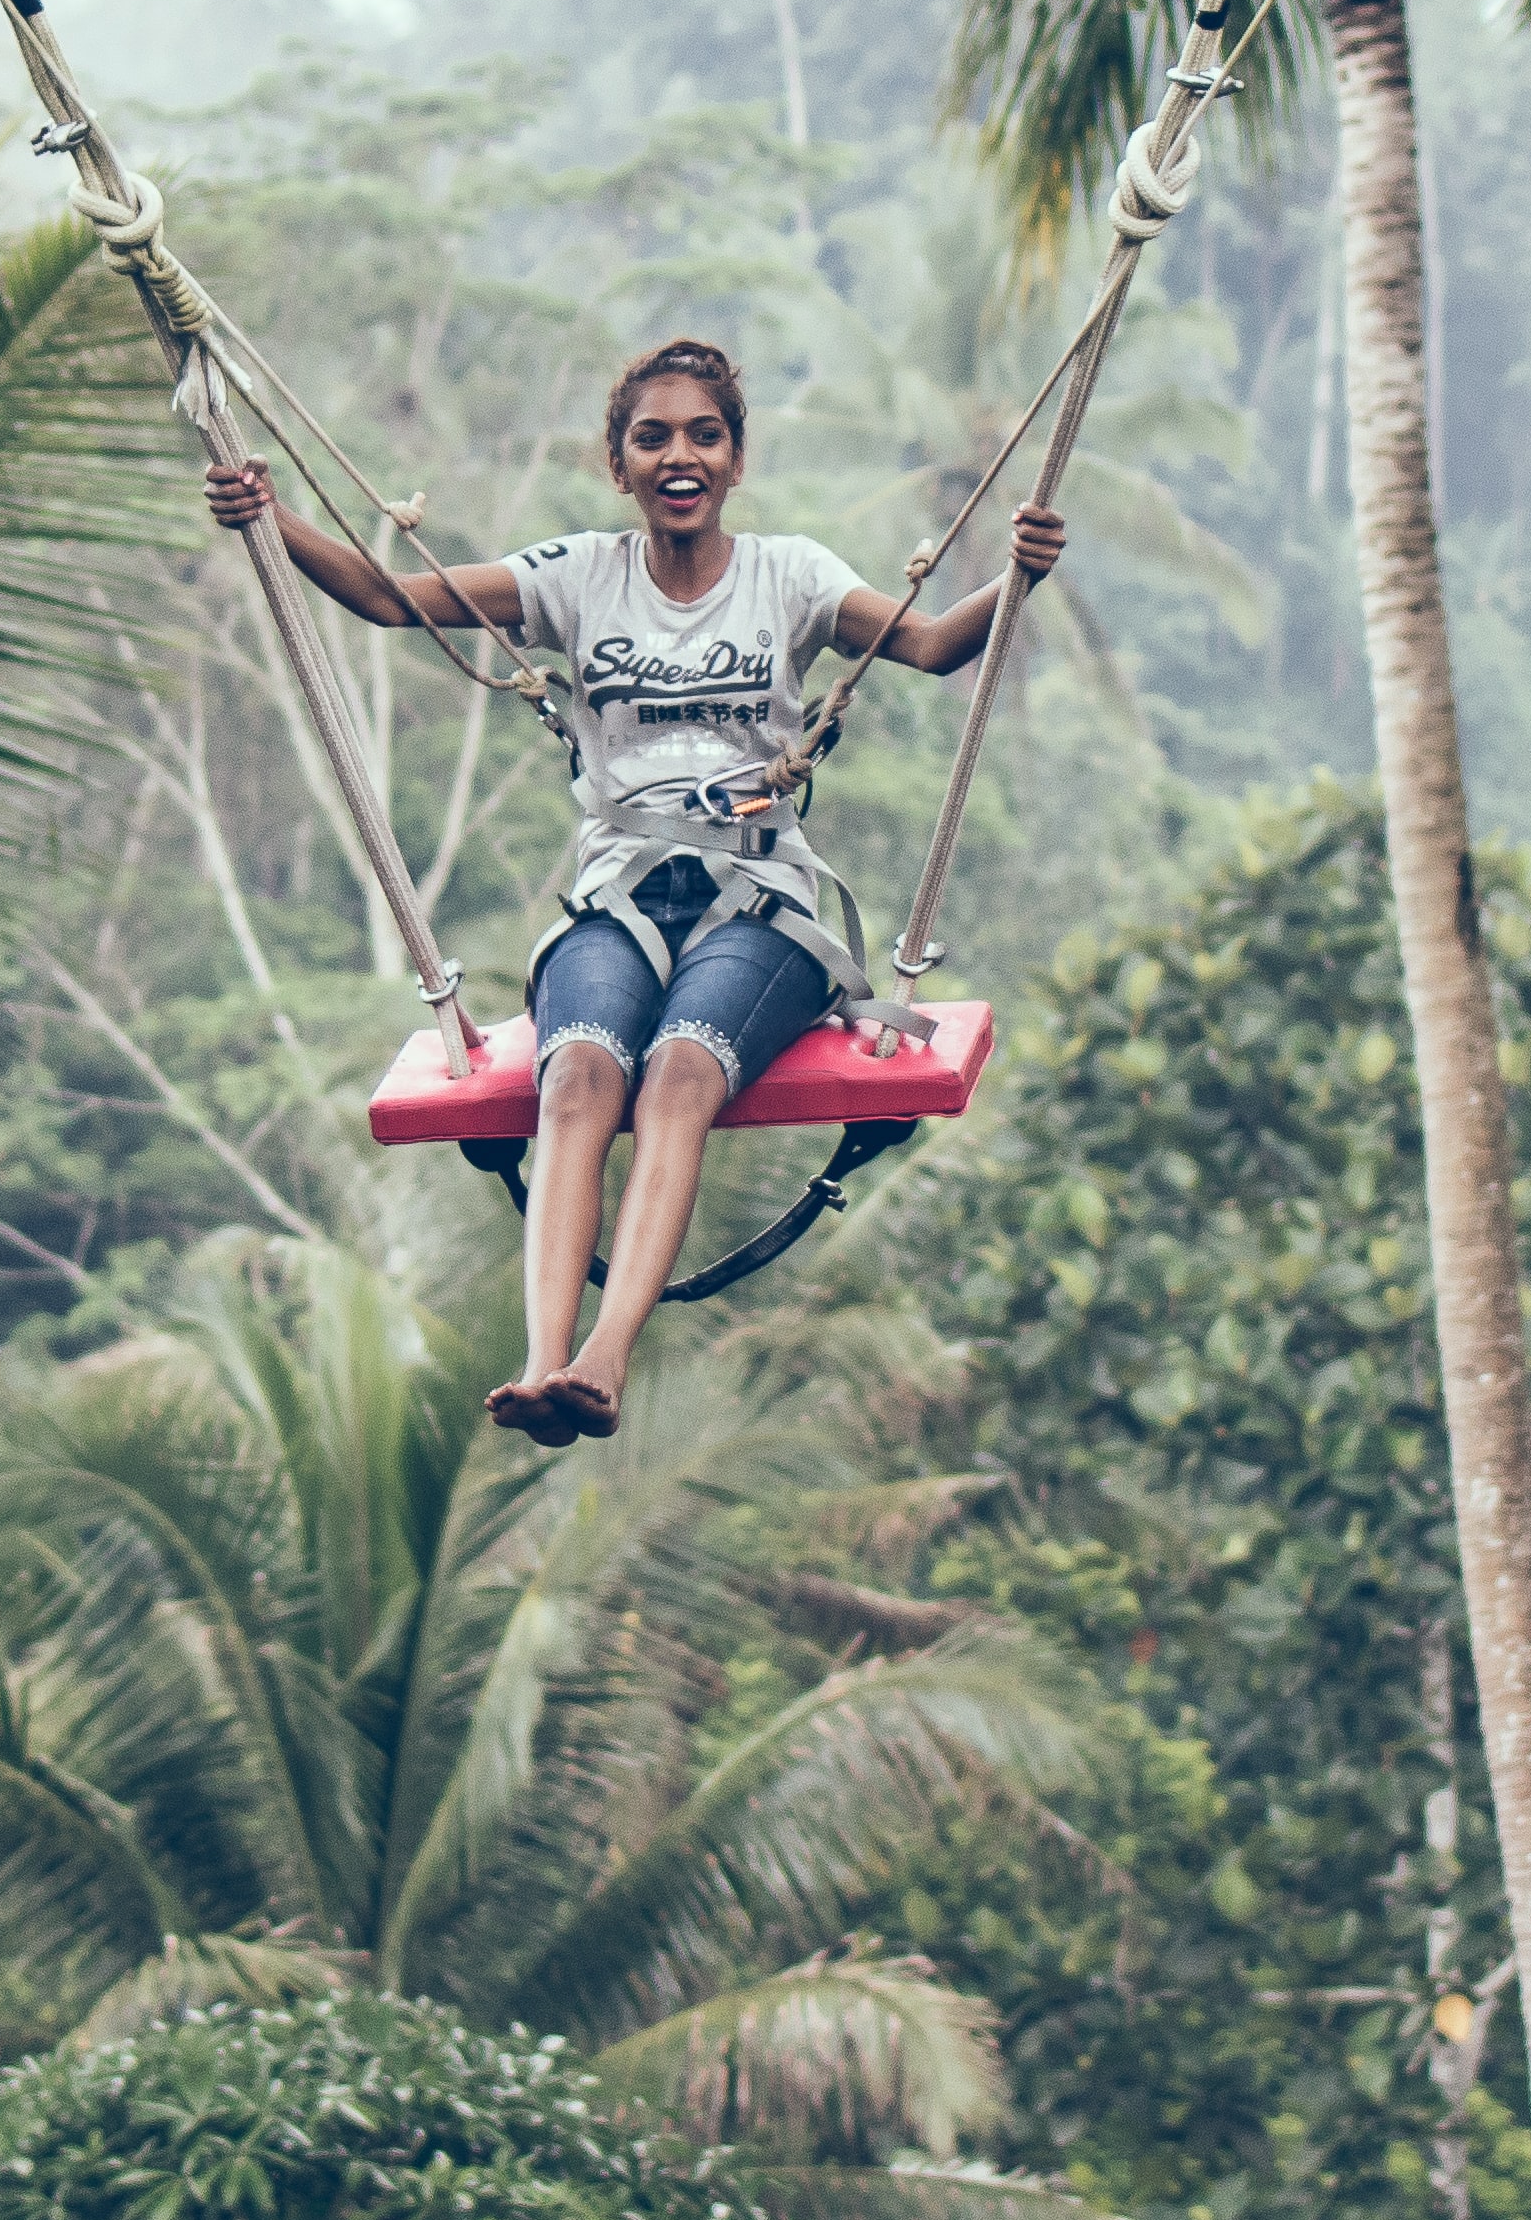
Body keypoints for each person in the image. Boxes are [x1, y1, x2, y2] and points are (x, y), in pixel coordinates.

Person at [209, 335, 1057, 1441]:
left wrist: (1017, 574)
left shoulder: (791, 575)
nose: (679, 455)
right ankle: (543, 1359)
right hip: (616, 894)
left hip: (760, 900)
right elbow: (388, 598)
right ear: (619, 464)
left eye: (704, 433)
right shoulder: (575, 576)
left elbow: (939, 645)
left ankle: (605, 1358)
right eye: (651, 437)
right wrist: (270, 517)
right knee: (575, 1083)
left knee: (680, 1072)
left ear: (736, 458)